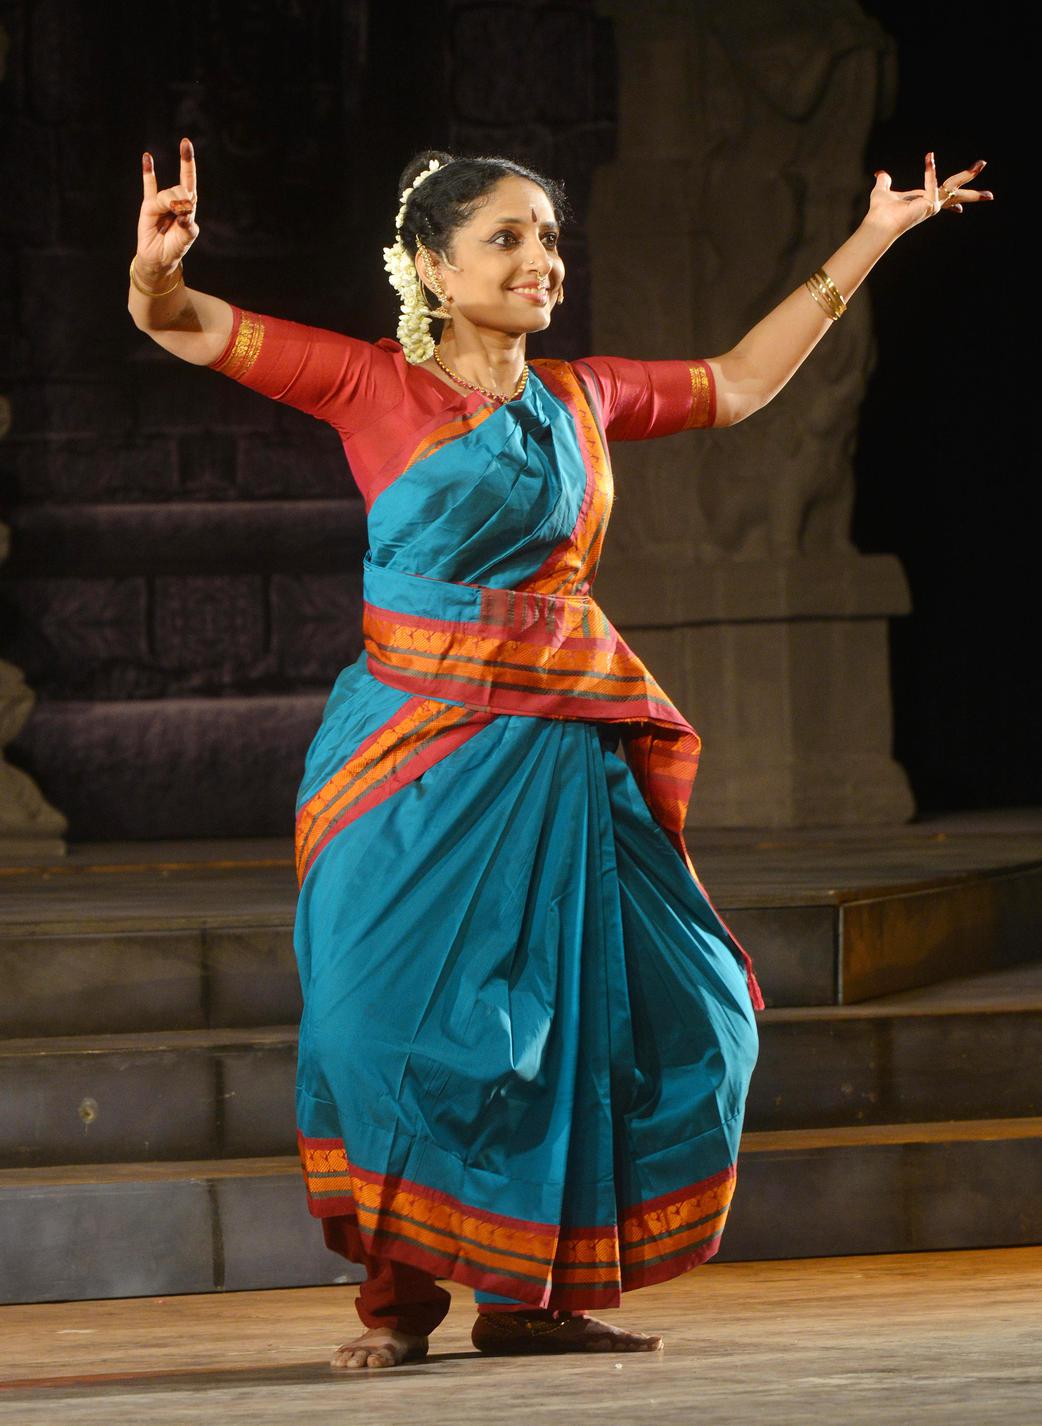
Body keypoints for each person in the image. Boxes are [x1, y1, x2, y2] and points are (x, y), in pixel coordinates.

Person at [127, 137, 993, 1368]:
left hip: (558, 758)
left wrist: (877, 236)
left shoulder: (583, 396)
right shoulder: (369, 385)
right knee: (381, 1034)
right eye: (507, 239)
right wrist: (156, 275)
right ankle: (401, 1302)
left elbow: (738, 386)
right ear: (431, 264)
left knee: (647, 1015)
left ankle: (534, 1295)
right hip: (411, 764)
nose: (541, 261)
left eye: (548, 238)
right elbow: (189, 325)